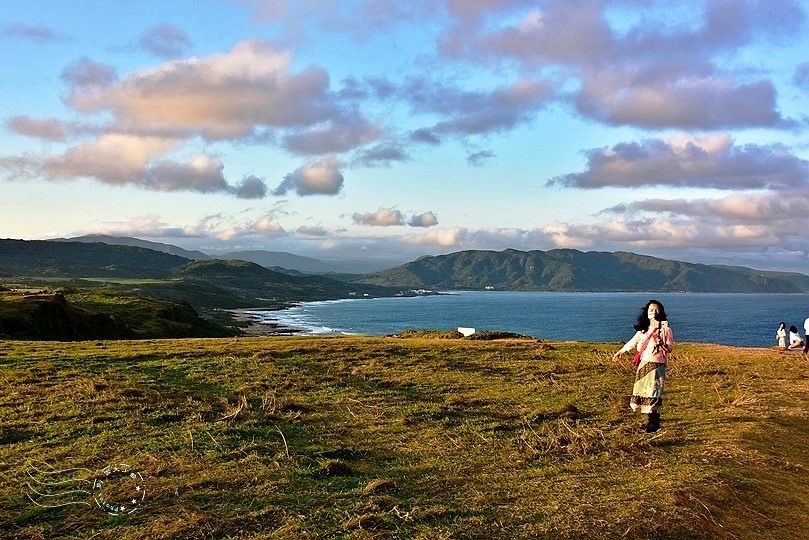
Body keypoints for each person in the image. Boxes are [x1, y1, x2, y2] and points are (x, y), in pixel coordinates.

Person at [612, 299, 674, 433]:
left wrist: (662, 343)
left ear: (661, 313)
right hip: (644, 363)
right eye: (651, 310)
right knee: (643, 391)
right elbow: (632, 342)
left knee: (654, 392)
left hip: (658, 364)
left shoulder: (666, 330)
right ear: (646, 313)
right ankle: (651, 421)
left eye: (657, 310)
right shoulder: (643, 330)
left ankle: (654, 423)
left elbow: (670, 348)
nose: (654, 312)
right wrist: (620, 352)